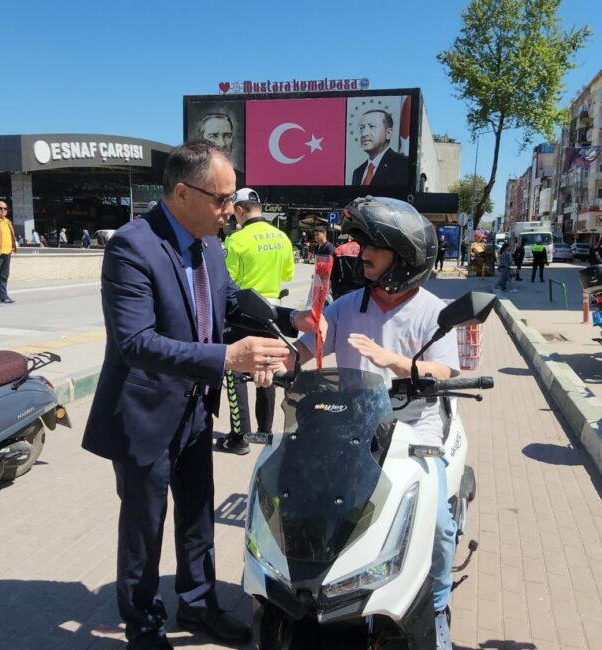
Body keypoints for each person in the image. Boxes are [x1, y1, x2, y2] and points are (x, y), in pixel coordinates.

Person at [81, 141, 316, 650]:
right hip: (144, 415)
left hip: (192, 410)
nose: (230, 209)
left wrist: (288, 317)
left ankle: (198, 604)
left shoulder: (209, 244)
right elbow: (135, 343)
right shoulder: (132, 247)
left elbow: (231, 304)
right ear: (183, 193)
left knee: (197, 515)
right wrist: (226, 358)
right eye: (222, 198)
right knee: (144, 527)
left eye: (232, 198)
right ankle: (144, 626)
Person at [284, 196, 459, 650]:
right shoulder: (345, 306)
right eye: (363, 245)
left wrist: (394, 361)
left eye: (374, 247)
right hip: (351, 424)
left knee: (438, 527)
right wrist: (273, 359)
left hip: (414, 431)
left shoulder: (434, 311)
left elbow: (444, 372)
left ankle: (438, 605)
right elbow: (303, 350)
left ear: (403, 257)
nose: (363, 254)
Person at [215, 187, 295, 455]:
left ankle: (240, 437)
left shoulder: (236, 240)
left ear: (239, 210)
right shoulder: (282, 237)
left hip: (243, 313)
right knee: (267, 369)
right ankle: (265, 431)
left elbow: (228, 282)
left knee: (235, 372)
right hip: (273, 312)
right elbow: (287, 274)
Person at [350, 110, 408, 187]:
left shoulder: (403, 165)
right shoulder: (358, 172)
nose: (364, 133)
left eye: (371, 126)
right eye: (361, 128)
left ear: (388, 133)